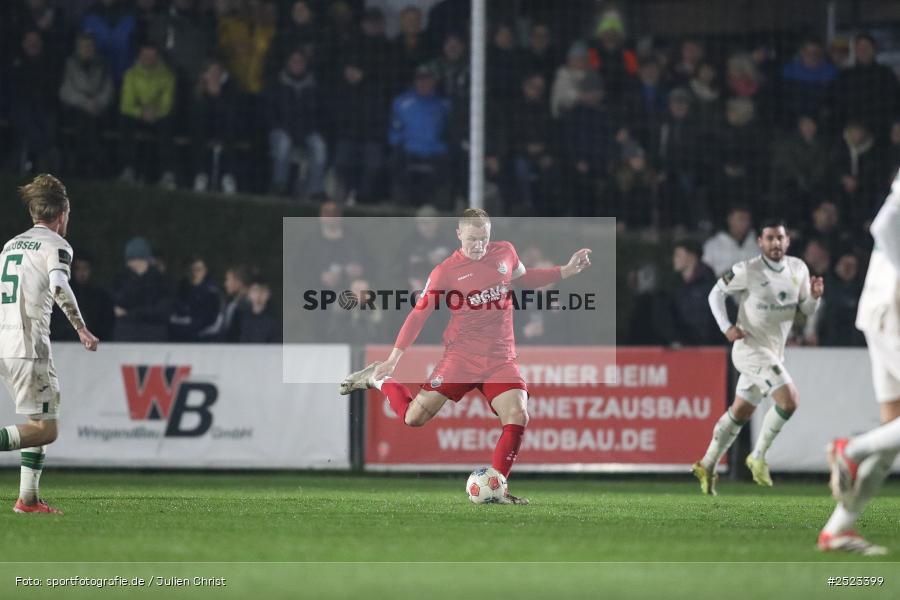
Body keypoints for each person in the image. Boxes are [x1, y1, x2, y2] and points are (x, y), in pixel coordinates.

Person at [339, 209, 592, 504]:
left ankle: (498, 488)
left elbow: (522, 280)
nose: (479, 245)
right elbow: (418, 315)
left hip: (500, 358)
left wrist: (565, 270)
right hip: (460, 358)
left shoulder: (505, 252)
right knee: (414, 418)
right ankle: (377, 379)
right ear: (459, 235)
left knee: (518, 414)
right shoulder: (445, 271)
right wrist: (394, 358)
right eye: (472, 239)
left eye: (484, 238)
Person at [692, 219, 824, 494]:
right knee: (789, 401)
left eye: (780, 238)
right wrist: (726, 327)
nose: (775, 243)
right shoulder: (747, 269)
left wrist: (814, 297)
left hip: (774, 352)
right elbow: (715, 294)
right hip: (749, 349)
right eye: (770, 238)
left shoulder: (798, 268)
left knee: (740, 412)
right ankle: (758, 456)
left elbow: (807, 310)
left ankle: (707, 463)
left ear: (787, 241)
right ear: (760, 242)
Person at [0, 174, 99, 514]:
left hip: (4, 341)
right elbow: (59, 284)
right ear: (61, 214)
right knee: (46, 430)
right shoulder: (56, 244)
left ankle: (27, 500)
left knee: (38, 418)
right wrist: (82, 328)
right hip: (28, 345)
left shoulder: (11, 245)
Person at [819, 169, 900, 555]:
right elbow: (884, 224)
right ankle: (849, 450)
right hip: (893, 309)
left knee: (891, 434)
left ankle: (837, 530)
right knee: (883, 439)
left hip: (882, 309)